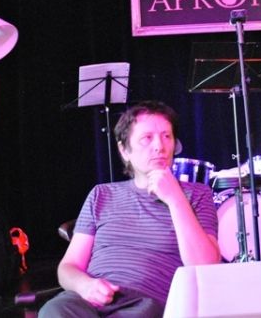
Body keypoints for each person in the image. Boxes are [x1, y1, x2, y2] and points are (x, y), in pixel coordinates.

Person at [39, 101, 220, 317]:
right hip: (89, 301)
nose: (159, 146)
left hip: (148, 304)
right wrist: (85, 285)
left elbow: (205, 265)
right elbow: (68, 267)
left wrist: (175, 199)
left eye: (166, 136)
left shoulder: (197, 195)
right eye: (147, 138)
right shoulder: (101, 194)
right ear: (124, 150)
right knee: (54, 310)